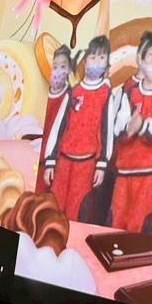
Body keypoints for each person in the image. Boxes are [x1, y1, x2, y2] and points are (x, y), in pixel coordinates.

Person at [109, 33, 152, 233]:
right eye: (151, 55)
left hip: (149, 172)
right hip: (125, 168)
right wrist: (128, 127)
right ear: (141, 59)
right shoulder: (129, 91)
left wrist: (142, 125)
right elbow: (118, 123)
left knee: (139, 223)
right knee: (116, 218)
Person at [43, 35, 114, 222]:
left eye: (101, 58)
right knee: (54, 208)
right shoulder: (73, 92)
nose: (96, 62)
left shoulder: (106, 94)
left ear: (107, 64)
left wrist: (101, 164)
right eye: (93, 57)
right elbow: (58, 128)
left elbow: (107, 132)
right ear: (85, 61)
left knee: (76, 211)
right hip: (63, 161)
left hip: (86, 165)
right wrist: (51, 160)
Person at [36, 45, 71, 192]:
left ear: (69, 70)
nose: (58, 71)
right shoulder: (41, 93)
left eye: (63, 67)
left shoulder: (70, 97)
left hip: (52, 163)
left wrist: (51, 160)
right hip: (34, 157)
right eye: (55, 66)